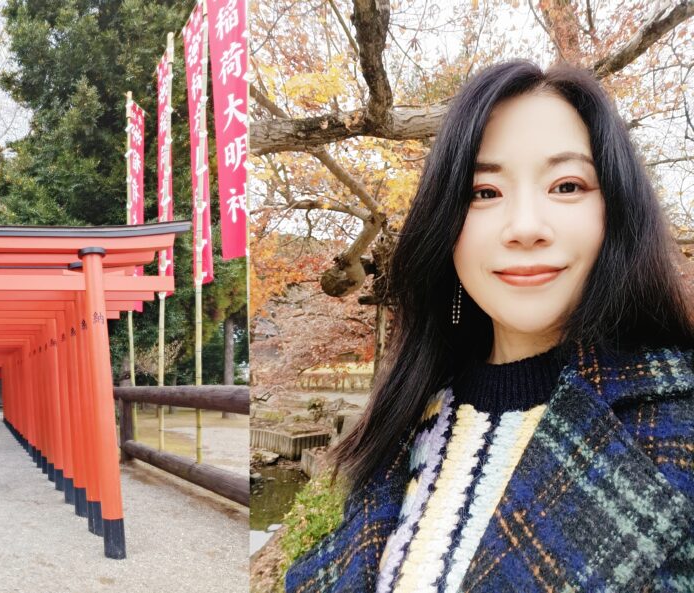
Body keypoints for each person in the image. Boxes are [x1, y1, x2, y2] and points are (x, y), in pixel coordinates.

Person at [285, 61, 694, 591]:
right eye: (484, 192)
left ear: (616, 209)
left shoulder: (674, 426)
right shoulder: (409, 417)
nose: (525, 227)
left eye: (567, 185)